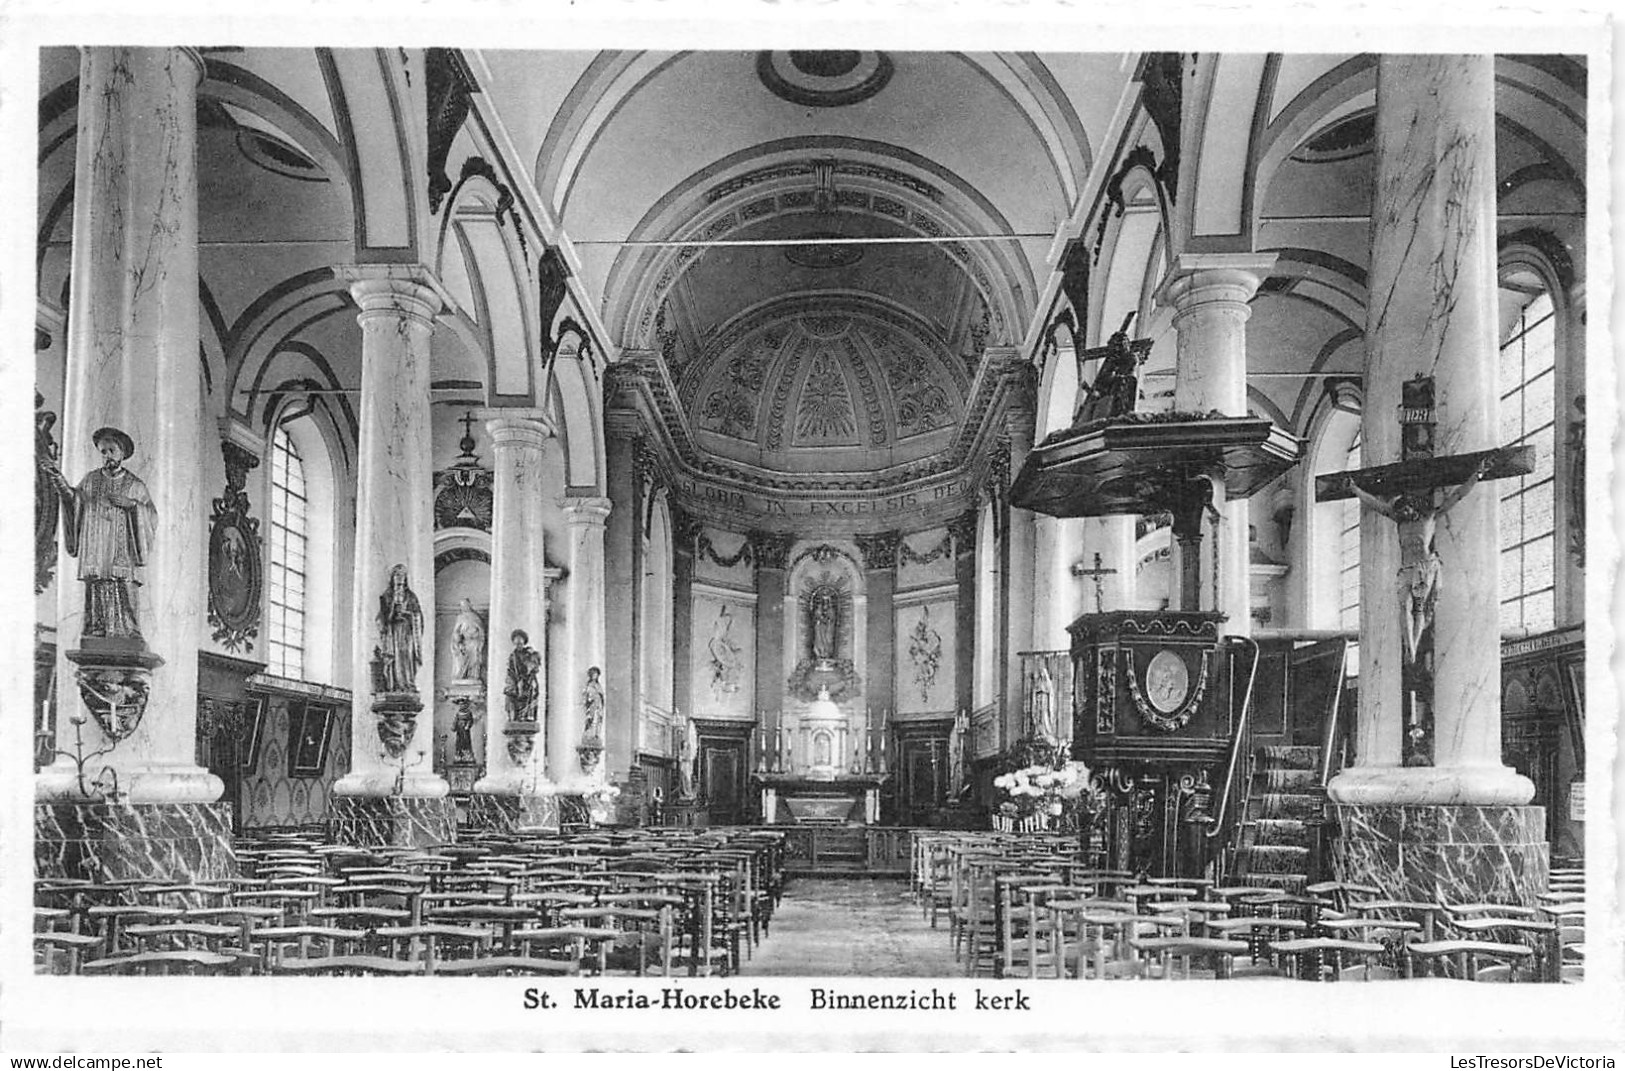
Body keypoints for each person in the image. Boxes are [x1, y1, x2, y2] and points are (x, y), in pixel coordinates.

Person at [1341, 452, 1498, 667]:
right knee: (1402, 606)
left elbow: (1458, 495)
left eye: (1407, 507)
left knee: (1418, 608)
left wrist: (1477, 474)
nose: (1404, 511)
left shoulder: (1430, 517)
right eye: (1402, 508)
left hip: (1424, 567)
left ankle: (1413, 646)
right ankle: (1410, 646)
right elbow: (1375, 504)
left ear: (1415, 504)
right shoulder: (1399, 518)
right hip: (1405, 568)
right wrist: (1355, 489)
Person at [54, 426, 157, 640]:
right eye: (103, 451)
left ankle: (129, 630)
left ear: (122, 453)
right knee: (96, 586)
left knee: (125, 586)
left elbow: (151, 515)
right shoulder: (91, 480)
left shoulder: (135, 485)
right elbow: (76, 502)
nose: (107, 456)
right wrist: (63, 487)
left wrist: (132, 505)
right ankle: (96, 628)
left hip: (122, 553)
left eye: (111, 450)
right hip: (97, 548)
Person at [375, 564, 424, 693]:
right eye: (397, 575)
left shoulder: (411, 596)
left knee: (407, 657)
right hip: (393, 632)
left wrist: (407, 614)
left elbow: (418, 615)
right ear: (392, 577)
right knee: (395, 658)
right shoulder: (387, 595)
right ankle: (394, 685)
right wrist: (392, 612)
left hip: (407, 632)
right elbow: (381, 617)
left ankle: (407, 684)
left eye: (402, 575)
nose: (399, 578)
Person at [504, 629, 543, 724]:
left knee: (531, 691)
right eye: (516, 644)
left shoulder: (528, 653)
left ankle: (528, 715)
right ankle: (514, 716)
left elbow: (535, 664)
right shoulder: (512, 656)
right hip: (515, 679)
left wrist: (533, 657)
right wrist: (517, 680)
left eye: (520, 644)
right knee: (511, 694)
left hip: (528, 679)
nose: (518, 646)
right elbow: (511, 670)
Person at [450, 597, 486, 682]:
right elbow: (456, 632)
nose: (464, 607)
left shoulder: (475, 617)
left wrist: (479, 641)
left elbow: (481, 631)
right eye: (462, 605)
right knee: (461, 659)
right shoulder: (460, 617)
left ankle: (473, 675)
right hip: (465, 642)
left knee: (475, 660)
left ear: (469, 605)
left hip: (475, 642)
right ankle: (461, 675)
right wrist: (458, 642)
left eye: (465, 605)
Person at [581, 665, 605, 744]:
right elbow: (586, 695)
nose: (595, 676)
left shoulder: (598, 685)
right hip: (592, 706)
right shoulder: (589, 685)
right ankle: (589, 735)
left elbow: (601, 695)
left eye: (596, 674)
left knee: (598, 720)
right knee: (591, 720)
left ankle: (596, 735)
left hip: (598, 706)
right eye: (594, 674)